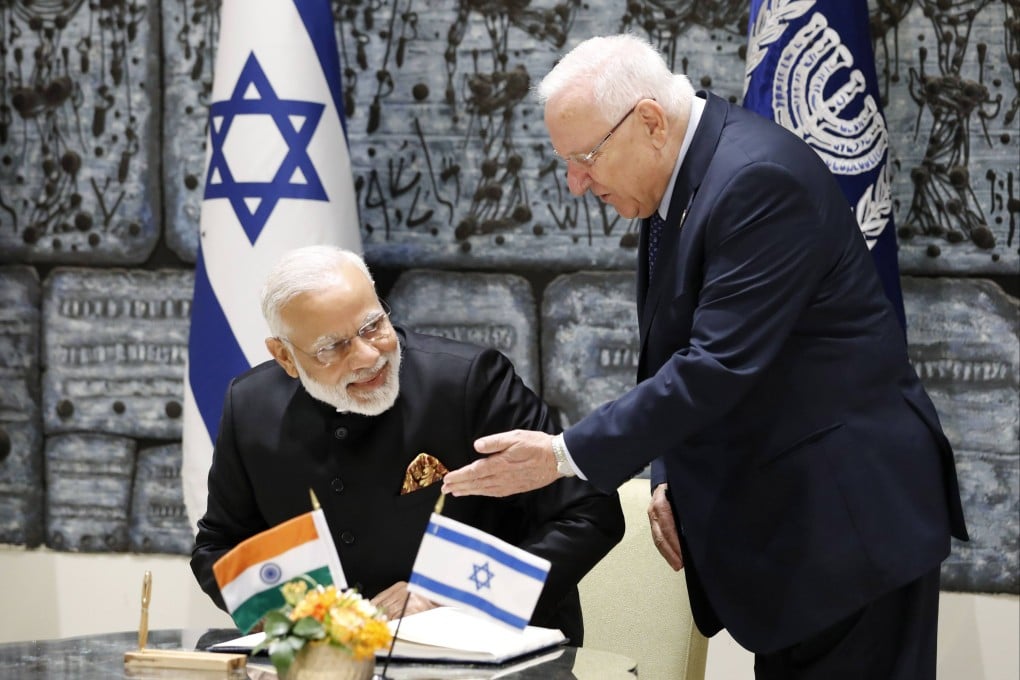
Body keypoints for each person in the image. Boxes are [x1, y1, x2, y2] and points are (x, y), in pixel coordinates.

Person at [441, 34, 968, 678]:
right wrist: (668, 468)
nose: (577, 183)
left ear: (650, 122)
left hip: (849, 525)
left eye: (584, 158)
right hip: (793, 535)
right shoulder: (681, 177)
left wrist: (560, 455)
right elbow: (682, 350)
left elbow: (716, 366)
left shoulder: (756, 182)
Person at [190, 245, 624, 644]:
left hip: (488, 655)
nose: (366, 356)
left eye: (372, 325)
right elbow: (219, 546)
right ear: (284, 356)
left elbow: (590, 513)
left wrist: (451, 599)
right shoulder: (250, 406)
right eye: (333, 347)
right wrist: (289, 612)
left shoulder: (469, 383)